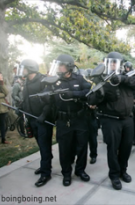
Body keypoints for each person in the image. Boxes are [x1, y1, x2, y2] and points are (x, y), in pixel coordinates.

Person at [88, 52, 135, 190]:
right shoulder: (102, 79)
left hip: (128, 119)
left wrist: (122, 79)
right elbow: (92, 100)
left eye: (115, 62)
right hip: (110, 120)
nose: (113, 64)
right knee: (112, 149)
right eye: (110, 62)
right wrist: (101, 90)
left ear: (121, 64)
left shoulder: (127, 76)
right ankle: (114, 175)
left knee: (126, 148)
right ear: (106, 63)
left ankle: (123, 171)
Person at [48, 54, 91, 186]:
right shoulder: (54, 81)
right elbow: (47, 98)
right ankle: (66, 173)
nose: (59, 68)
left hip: (79, 118)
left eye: (61, 65)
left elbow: (88, 91)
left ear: (69, 66)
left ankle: (80, 170)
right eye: (58, 65)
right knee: (64, 148)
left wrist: (73, 94)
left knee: (82, 146)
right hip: (63, 120)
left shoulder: (79, 78)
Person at [17, 59, 53, 187]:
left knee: (44, 146)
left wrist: (43, 115)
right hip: (32, 119)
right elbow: (27, 99)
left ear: (30, 68)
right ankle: (46, 163)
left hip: (43, 120)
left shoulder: (43, 81)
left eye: (24, 68)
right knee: (41, 144)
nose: (22, 71)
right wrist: (21, 108)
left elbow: (50, 100)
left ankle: (46, 173)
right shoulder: (26, 81)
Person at [0, 72, 9, 144]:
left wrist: (2, 83)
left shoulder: (1, 85)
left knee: (3, 124)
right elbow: (3, 94)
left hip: (2, 109)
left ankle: (3, 139)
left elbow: (6, 92)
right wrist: (2, 95)